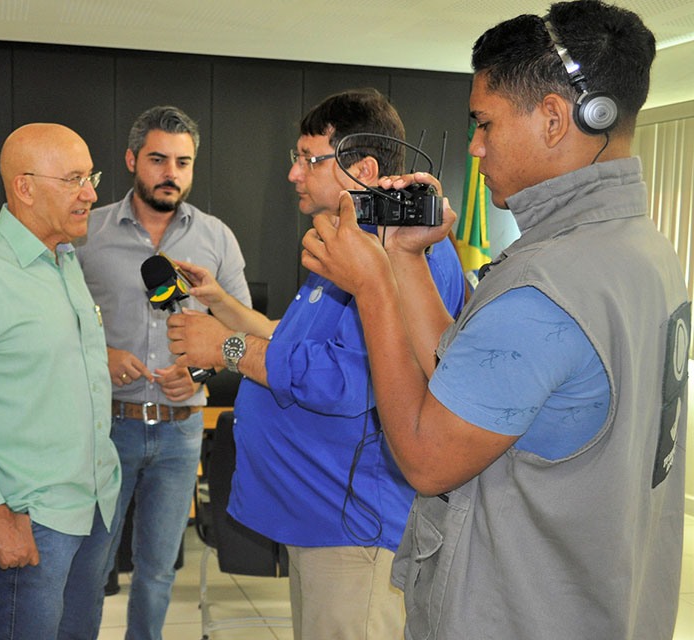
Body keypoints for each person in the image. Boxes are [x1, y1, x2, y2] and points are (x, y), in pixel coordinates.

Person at [300, 2, 689, 638]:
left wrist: (371, 289)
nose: (476, 146)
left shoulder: (549, 285)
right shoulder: (639, 248)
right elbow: (468, 381)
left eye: (485, 122)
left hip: (520, 612)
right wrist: (405, 259)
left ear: (558, 119)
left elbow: (427, 458)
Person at [167, 89, 464, 639]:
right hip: (318, 516)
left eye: (308, 159)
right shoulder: (349, 244)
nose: (293, 174)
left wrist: (224, 348)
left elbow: (344, 381)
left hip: (353, 531)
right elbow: (294, 341)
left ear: (363, 169)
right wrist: (223, 306)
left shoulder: (405, 256)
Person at [0, 123, 121, 639]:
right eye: (75, 178)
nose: (92, 193)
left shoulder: (65, 260)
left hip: (94, 503)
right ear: (24, 187)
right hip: (29, 516)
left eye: (91, 176)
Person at [74, 105, 250, 639]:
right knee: (91, 567)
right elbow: (54, 322)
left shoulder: (216, 238)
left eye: (182, 162)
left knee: (156, 571)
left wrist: (199, 374)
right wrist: (98, 357)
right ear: (132, 161)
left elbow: (245, 336)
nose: (170, 173)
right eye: (157, 159)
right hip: (108, 426)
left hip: (181, 431)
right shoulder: (88, 232)